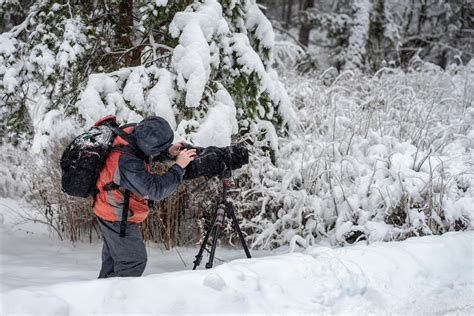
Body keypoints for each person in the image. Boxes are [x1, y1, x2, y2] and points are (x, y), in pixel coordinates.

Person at [92, 116, 196, 278]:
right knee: (132, 261)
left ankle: (104, 297)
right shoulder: (127, 162)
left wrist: (168, 152)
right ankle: (119, 300)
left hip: (106, 207)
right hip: (116, 214)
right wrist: (179, 167)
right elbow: (155, 190)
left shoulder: (131, 132)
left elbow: (141, 151)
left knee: (114, 260)